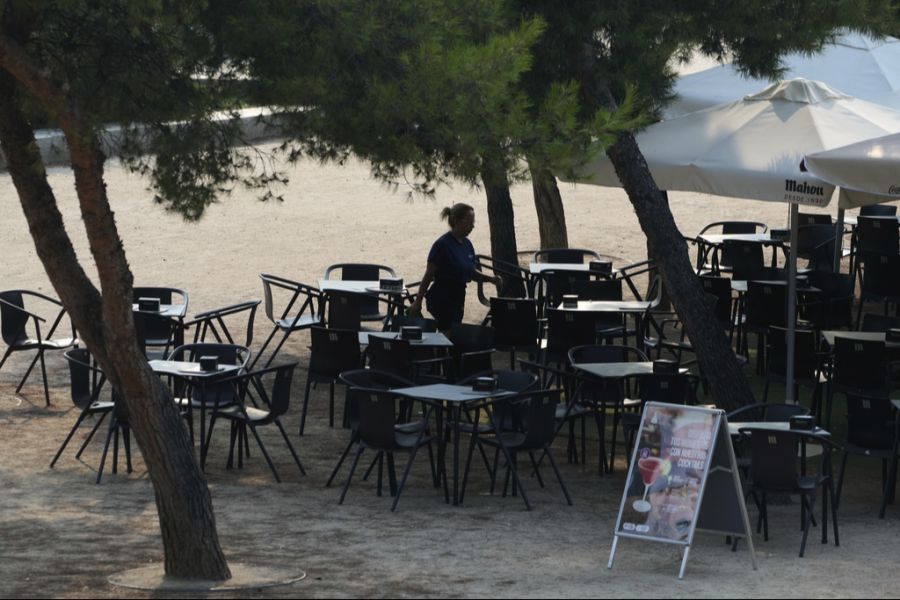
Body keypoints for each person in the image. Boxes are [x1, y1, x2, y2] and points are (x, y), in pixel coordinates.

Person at [410, 203, 501, 331]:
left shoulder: (467, 244)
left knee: (453, 330)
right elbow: (428, 274)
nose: (472, 226)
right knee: (448, 331)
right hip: (442, 296)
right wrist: (418, 301)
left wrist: (490, 279)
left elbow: (471, 272)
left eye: (473, 222)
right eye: (469, 222)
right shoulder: (442, 245)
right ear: (457, 221)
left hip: (458, 296)